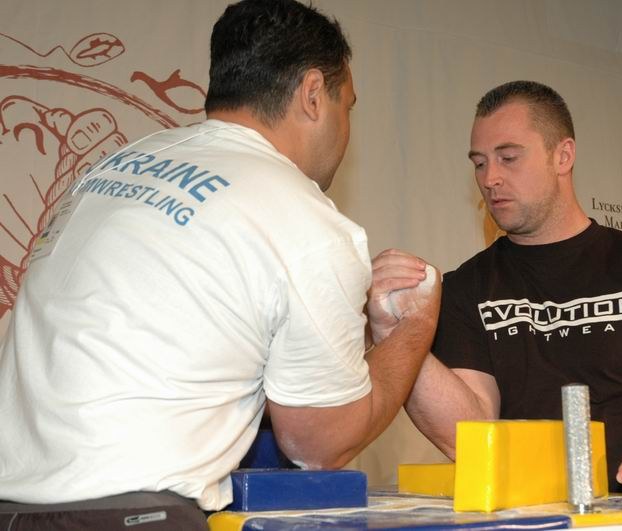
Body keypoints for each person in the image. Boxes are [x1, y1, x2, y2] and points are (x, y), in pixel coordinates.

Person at [0, 0, 439, 527]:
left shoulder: (113, 167)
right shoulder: (304, 219)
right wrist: (413, 330)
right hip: (125, 513)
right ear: (315, 94)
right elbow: (319, 443)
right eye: (349, 105)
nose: (347, 129)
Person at [405, 80, 622, 499]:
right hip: (529, 522)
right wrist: (401, 333)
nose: (490, 178)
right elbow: (470, 432)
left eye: (508, 157)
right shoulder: (466, 288)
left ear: (563, 155)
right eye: (479, 163)